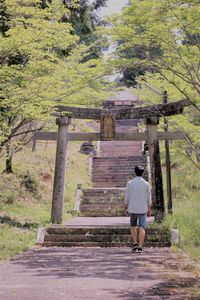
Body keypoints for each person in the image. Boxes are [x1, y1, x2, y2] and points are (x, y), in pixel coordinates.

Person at [124, 166, 151, 253]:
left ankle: (135, 243)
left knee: (133, 226)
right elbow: (149, 198)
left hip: (132, 208)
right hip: (143, 208)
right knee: (142, 227)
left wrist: (126, 207)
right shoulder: (146, 184)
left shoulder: (130, 183)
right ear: (142, 173)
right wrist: (149, 209)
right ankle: (140, 246)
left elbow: (127, 197)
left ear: (135, 172)